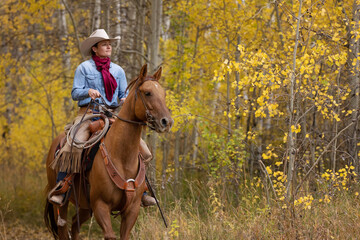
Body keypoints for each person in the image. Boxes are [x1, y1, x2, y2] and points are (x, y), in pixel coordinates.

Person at [48, 29, 156, 207]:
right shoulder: (84, 68)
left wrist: (124, 98)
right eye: (104, 44)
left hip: (113, 116)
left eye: (110, 44)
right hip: (88, 114)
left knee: (142, 149)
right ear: (95, 48)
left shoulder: (118, 71)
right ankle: (62, 187)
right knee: (74, 142)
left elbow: (124, 93)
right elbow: (75, 93)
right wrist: (87, 91)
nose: (109, 47)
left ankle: (142, 190)